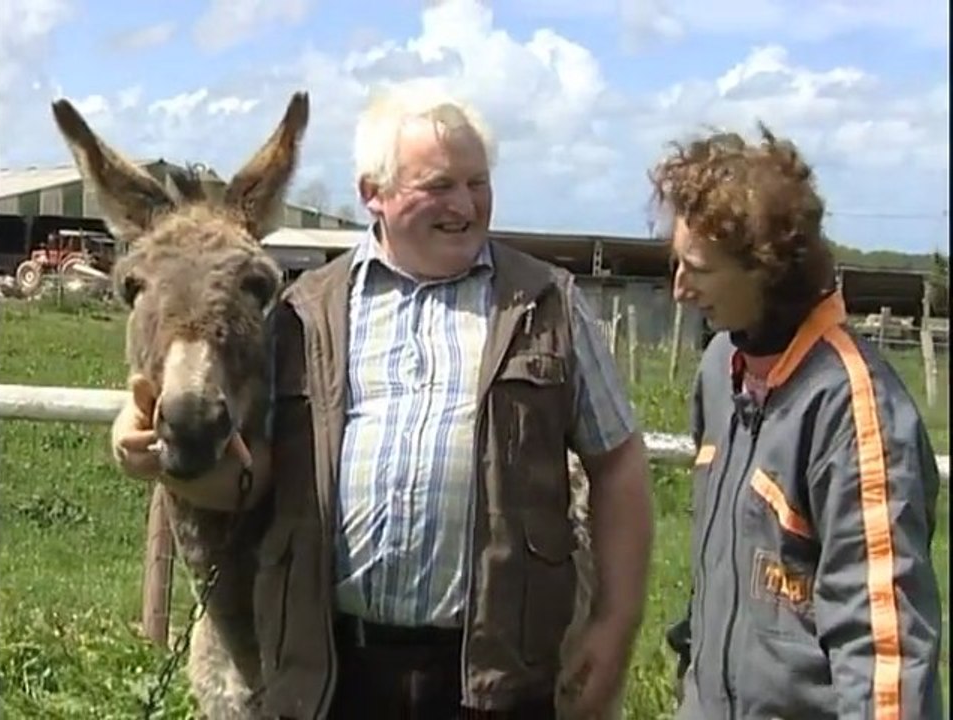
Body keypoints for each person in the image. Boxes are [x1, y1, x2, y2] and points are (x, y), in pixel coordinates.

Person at [112, 81, 654, 719]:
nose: (466, 204)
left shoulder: (548, 303)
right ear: (373, 192)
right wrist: (160, 451)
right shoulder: (303, 316)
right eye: (440, 186)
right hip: (341, 671)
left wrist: (615, 625)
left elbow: (618, 464)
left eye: (477, 183)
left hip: (500, 677)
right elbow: (249, 478)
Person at [654, 124, 944, 718]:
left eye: (698, 270)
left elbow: (884, 651)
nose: (679, 289)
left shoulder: (851, 407)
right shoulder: (720, 368)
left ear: (764, 269)